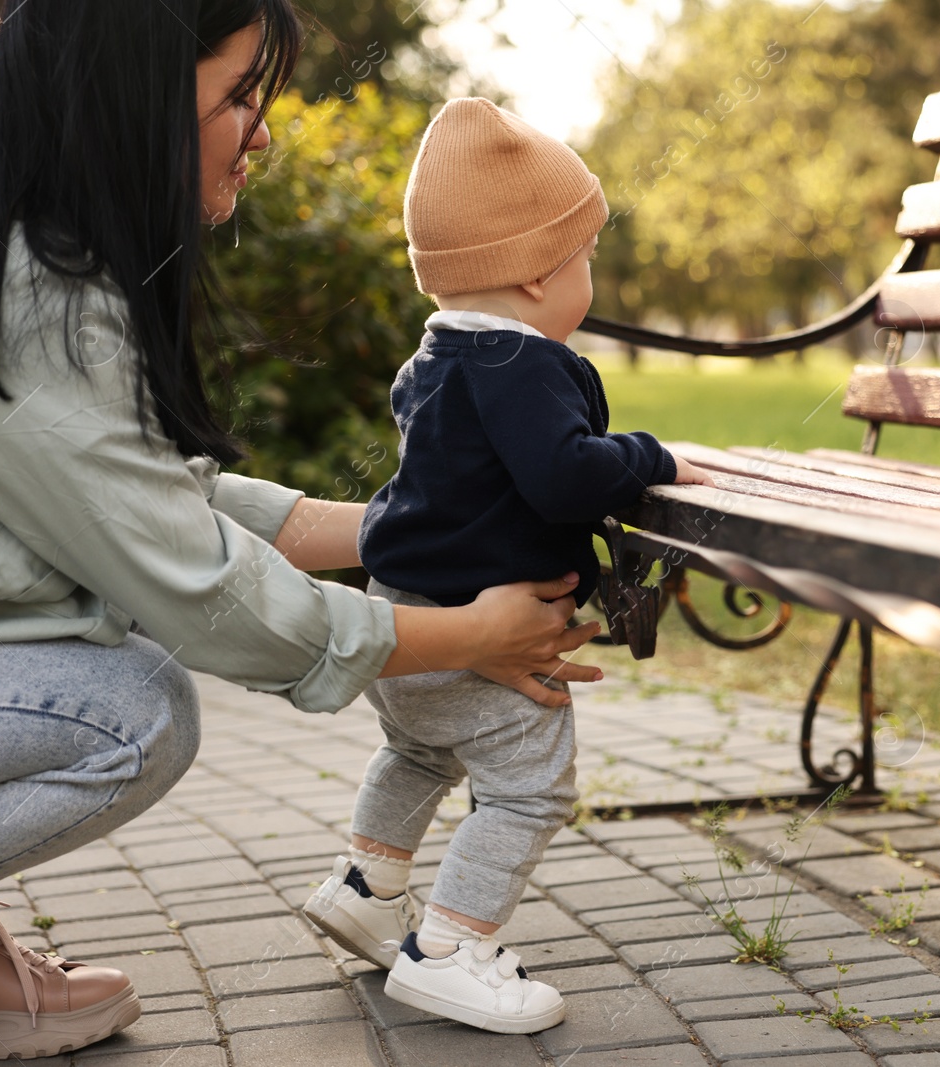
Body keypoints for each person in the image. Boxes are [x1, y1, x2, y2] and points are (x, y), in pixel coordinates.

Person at [0, 5, 600, 1064]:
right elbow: (197, 586)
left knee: (117, 686)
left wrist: (420, 531)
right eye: (237, 98)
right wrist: (473, 635)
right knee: (132, 707)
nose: (262, 133)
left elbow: (162, 503)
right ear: (135, 104)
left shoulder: (1, 258)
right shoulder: (21, 297)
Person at [301, 98, 712, 1035]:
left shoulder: (437, 356)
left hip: (406, 621)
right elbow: (566, 477)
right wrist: (649, 455)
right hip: (474, 635)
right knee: (530, 784)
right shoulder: (521, 366)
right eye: (585, 257)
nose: (590, 276)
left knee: (416, 749)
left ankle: (367, 886)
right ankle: (450, 949)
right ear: (534, 275)